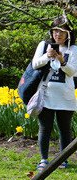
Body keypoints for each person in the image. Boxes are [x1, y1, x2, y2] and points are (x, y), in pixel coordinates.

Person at [31, 17, 77, 170]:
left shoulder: (74, 49)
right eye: (55, 31)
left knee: (65, 128)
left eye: (62, 32)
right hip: (46, 94)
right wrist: (47, 56)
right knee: (45, 127)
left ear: (69, 34)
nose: (58, 34)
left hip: (66, 96)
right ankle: (44, 159)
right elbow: (34, 64)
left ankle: (62, 160)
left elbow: (73, 72)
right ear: (51, 32)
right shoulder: (44, 45)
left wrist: (62, 61)